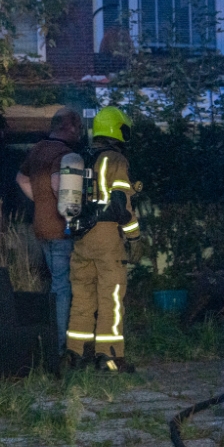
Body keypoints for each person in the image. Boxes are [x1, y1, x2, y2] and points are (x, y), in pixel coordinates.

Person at [66, 106, 141, 373]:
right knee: (111, 298)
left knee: (82, 298)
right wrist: (134, 235)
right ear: (117, 129)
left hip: (80, 238)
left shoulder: (81, 159)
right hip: (107, 237)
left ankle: (75, 354)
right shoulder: (115, 160)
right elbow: (122, 205)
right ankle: (109, 358)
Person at [16, 107, 84, 357]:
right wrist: (63, 207)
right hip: (60, 228)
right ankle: (59, 345)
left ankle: (53, 340)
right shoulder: (64, 154)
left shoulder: (37, 150)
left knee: (55, 283)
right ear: (71, 127)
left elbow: (21, 179)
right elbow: (59, 184)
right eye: (78, 128)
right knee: (62, 286)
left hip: (41, 226)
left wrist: (41, 202)